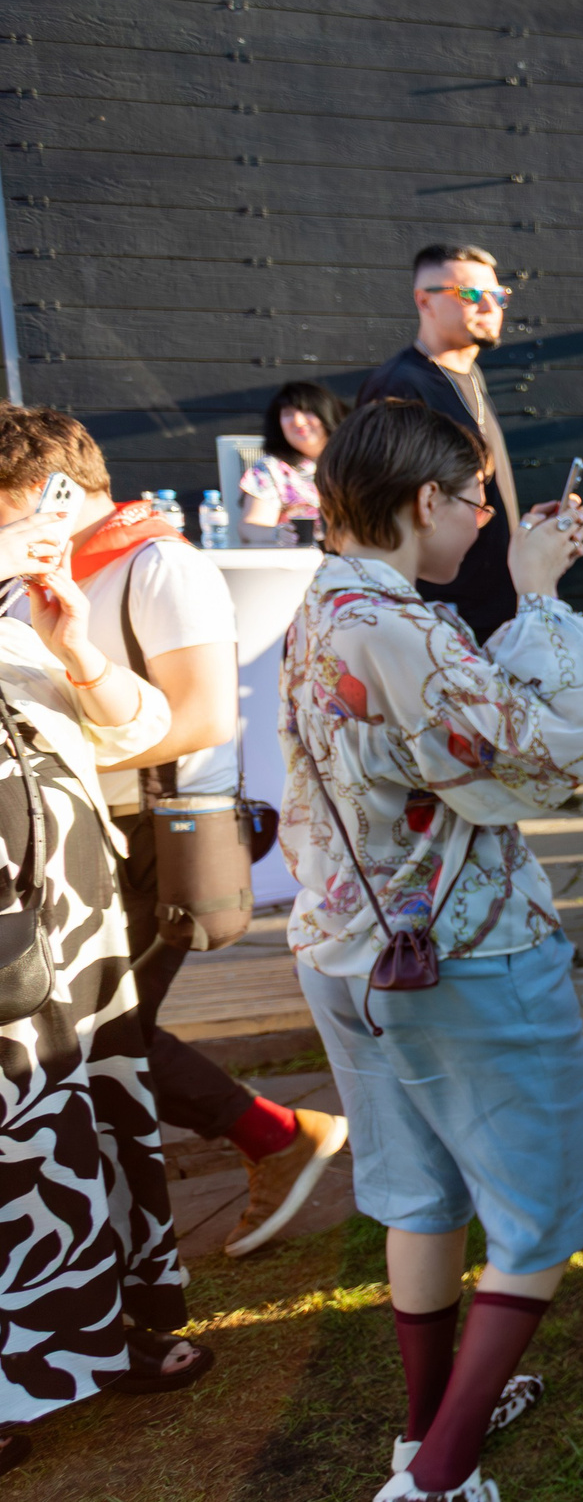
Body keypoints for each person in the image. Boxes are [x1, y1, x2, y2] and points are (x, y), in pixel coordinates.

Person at [280, 398, 583, 1502]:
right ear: (424, 499)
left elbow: (451, 737)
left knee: (420, 1196)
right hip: (463, 957)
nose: (480, 520)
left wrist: (517, 602)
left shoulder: (322, 609)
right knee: (544, 1207)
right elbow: (535, 760)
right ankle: (435, 1478)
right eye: (473, 499)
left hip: (346, 950)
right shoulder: (403, 627)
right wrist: (539, 596)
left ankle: (421, 1430)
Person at [0, 407, 348, 1259]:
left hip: (152, 828)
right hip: (73, 834)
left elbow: (200, 719)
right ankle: (267, 1140)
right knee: (94, 1033)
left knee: (102, 1034)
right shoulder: (41, 571)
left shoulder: (160, 564)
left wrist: (56, 753)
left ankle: (275, 1138)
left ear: (52, 491)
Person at [0, 460, 201, 1476]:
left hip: (70, 910)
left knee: (85, 1119)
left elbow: (139, 727)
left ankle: (107, 1332)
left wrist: (76, 645)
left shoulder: (25, 607)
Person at [359, 245, 522, 642]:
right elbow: (384, 515)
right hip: (443, 616)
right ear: (424, 301)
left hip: (491, 606)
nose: (489, 306)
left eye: (498, 295)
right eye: (469, 294)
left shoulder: (470, 373)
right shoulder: (400, 387)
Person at [239, 379, 348, 544]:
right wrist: (277, 534)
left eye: (306, 411)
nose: (298, 421)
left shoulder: (357, 461)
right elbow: (250, 527)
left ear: (326, 413)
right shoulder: (272, 469)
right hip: (299, 563)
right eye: (288, 413)